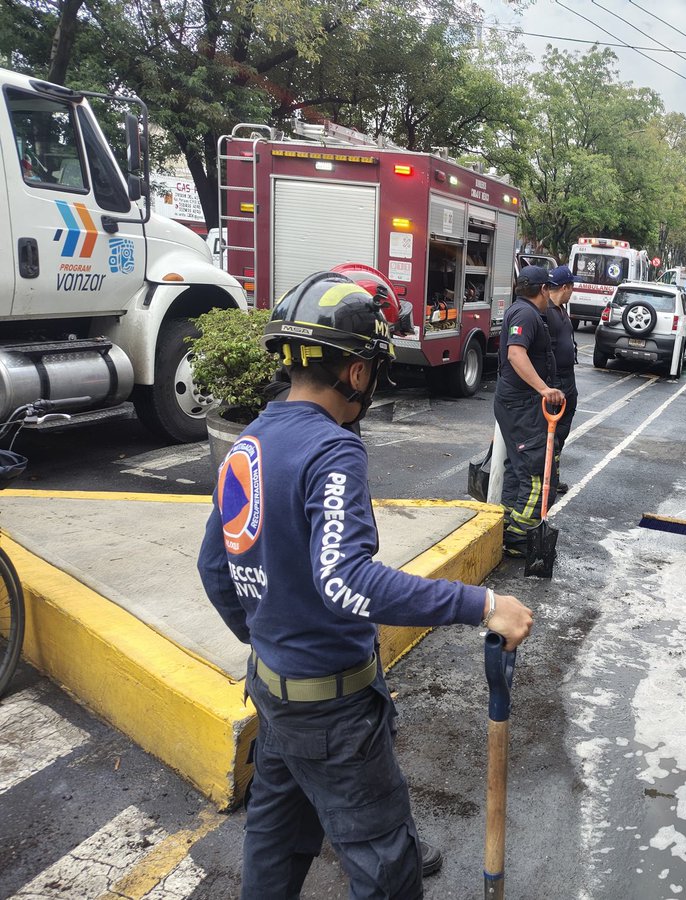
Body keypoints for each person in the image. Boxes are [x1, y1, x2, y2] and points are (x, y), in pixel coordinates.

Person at [197, 271, 534, 900]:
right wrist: (484, 604)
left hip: (272, 691)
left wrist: (271, 636)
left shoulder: (248, 444)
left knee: (275, 844)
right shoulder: (333, 450)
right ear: (356, 374)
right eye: (374, 368)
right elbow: (346, 582)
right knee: (387, 868)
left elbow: (215, 568)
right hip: (333, 711)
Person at [495, 266, 566, 556]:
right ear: (542, 290)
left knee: (517, 466)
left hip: (515, 402)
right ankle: (520, 536)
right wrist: (543, 389)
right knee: (534, 471)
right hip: (522, 402)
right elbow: (515, 353)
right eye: (548, 289)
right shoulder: (525, 314)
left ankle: (508, 524)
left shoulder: (520, 310)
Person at [546, 265, 580, 496]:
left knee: (562, 432)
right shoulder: (546, 311)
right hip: (555, 380)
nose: (573, 291)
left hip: (568, 378)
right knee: (552, 434)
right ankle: (549, 476)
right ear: (565, 287)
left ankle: (554, 474)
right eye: (572, 287)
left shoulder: (561, 309)